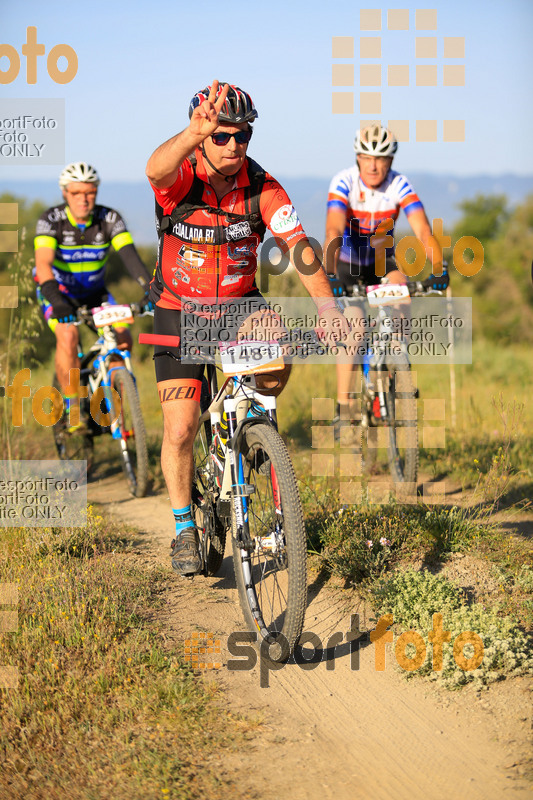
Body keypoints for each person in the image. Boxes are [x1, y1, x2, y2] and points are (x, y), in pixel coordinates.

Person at [145, 80, 349, 576]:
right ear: (203, 136)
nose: (234, 145)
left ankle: (254, 437)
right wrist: (193, 134)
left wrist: (328, 310)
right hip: (178, 309)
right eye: (222, 135)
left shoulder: (262, 186)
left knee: (276, 355)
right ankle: (183, 529)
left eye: (243, 135)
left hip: (240, 306)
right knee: (181, 427)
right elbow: (155, 168)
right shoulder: (181, 179)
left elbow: (300, 247)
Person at [323, 123, 448, 422]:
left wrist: (439, 267)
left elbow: (422, 229)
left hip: (381, 262)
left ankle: (396, 368)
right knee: (354, 328)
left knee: (401, 293)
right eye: (367, 157)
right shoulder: (344, 182)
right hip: (347, 265)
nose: (374, 165)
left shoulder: (399, 184)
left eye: (381, 159)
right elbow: (333, 229)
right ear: (358, 157)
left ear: (391, 161)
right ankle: (344, 406)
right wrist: (329, 273)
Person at [34, 162, 152, 430]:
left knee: (122, 336)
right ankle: (73, 408)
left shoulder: (109, 219)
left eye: (89, 192)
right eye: (76, 193)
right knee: (68, 335)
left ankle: (111, 397)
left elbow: (130, 257)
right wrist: (57, 301)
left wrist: (150, 289)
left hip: (96, 293)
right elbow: (43, 265)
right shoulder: (51, 220)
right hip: (59, 293)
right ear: (65, 193)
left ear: (96, 192)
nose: (83, 199)